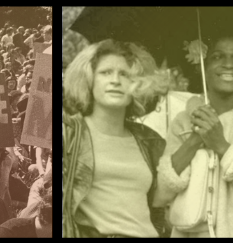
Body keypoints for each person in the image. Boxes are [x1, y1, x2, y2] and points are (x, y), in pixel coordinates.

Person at [159, 35, 233, 237]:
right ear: (201, 64)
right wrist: (193, 141)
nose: (229, 65)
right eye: (218, 57)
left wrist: (222, 146)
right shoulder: (183, 120)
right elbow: (163, 192)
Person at [60, 40, 171, 238]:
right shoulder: (69, 134)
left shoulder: (150, 141)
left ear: (138, 84)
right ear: (89, 79)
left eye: (125, 74)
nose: (115, 80)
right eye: (106, 72)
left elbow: (161, 205)